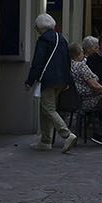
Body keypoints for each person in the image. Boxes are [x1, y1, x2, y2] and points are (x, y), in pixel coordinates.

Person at [25, 13, 78, 152]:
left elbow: (38, 62)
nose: (36, 29)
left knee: (48, 108)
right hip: (61, 80)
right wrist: (67, 80)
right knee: (45, 108)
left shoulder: (43, 40)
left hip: (48, 79)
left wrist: (30, 81)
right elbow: (67, 60)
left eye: (36, 27)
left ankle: (67, 135)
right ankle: (45, 140)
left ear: (41, 27)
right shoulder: (61, 39)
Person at [69, 41, 102, 144]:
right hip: (87, 100)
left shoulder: (68, 66)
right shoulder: (81, 66)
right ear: (79, 54)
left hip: (74, 99)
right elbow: (94, 85)